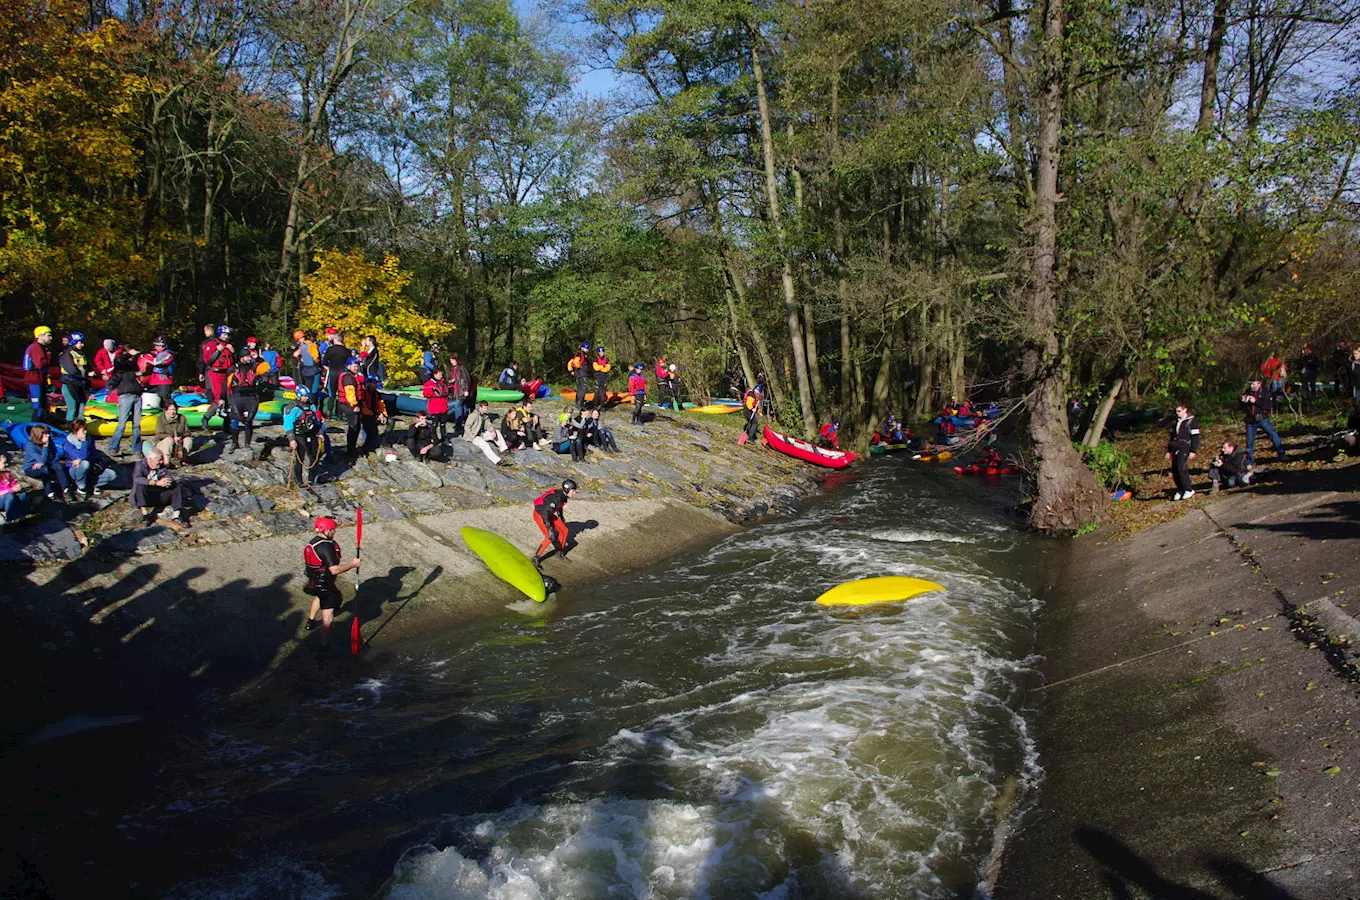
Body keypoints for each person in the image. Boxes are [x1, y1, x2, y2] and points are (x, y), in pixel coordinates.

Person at [302, 516, 360, 652]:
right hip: (325, 585)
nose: (335, 532)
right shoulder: (325, 547)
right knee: (327, 616)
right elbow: (334, 570)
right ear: (327, 531)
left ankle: (310, 621)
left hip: (312, 582)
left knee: (319, 597)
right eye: (333, 529)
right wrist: (353, 564)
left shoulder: (313, 542)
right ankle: (324, 646)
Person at [132, 448, 190, 528]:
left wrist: (167, 481)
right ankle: (145, 515)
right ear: (150, 459)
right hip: (145, 496)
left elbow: (169, 477)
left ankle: (176, 515)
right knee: (141, 486)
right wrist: (155, 483)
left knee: (176, 487)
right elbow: (137, 479)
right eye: (159, 460)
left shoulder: (161, 466)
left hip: (159, 495)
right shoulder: (140, 465)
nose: (161, 462)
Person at [228, 349, 270, 455]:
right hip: (237, 396)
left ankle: (247, 443)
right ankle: (235, 443)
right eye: (247, 356)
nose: (249, 358)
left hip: (250, 396)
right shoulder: (233, 369)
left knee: (249, 420)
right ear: (242, 357)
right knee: (235, 420)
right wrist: (226, 399)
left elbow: (267, 367)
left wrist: (258, 358)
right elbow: (227, 386)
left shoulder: (254, 367)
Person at [106, 344, 145, 457]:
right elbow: (118, 361)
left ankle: (136, 449)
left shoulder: (133, 366)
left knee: (137, 425)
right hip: (125, 396)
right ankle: (113, 447)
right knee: (122, 424)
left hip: (137, 395)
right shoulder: (120, 367)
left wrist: (137, 355)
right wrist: (128, 353)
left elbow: (141, 368)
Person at [65, 419, 118, 498]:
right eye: (83, 430)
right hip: (75, 470)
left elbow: (94, 454)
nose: (85, 432)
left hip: (90, 469)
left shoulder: (89, 439)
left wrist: (84, 457)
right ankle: (81, 486)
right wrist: (83, 442)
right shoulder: (68, 444)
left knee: (112, 474)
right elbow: (83, 456)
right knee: (85, 464)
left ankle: (90, 485)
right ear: (76, 432)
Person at [283, 386, 325, 486]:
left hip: (311, 434)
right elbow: (288, 425)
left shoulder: (312, 406)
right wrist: (292, 439)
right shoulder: (291, 408)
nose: (307, 398)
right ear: (299, 396)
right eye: (305, 396)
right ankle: (299, 481)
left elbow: (317, 421)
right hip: (299, 435)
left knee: (314, 457)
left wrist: (320, 433)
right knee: (300, 458)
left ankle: (311, 479)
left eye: (307, 396)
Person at [1240, 378, 1285, 469]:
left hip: (1262, 419)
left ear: (1259, 384)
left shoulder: (1265, 392)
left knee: (1273, 435)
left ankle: (1281, 453)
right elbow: (1242, 406)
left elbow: (1268, 406)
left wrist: (1256, 401)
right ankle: (1250, 461)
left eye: (1253, 384)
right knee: (1249, 442)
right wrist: (1243, 401)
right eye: (1251, 384)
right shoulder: (1248, 392)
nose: (1252, 386)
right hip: (1250, 421)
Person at [531, 479, 577, 565]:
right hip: (540, 515)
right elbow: (545, 512)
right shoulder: (556, 499)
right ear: (567, 490)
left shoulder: (563, 496)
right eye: (573, 491)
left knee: (564, 530)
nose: (574, 493)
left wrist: (561, 517)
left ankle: (559, 552)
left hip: (548, 513)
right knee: (550, 537)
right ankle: (535, 558)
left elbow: (559, 507)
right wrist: (549, 528)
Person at [23, 424, 73, 502]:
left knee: (58, 466)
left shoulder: (49, 440)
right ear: (39, 435)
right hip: (32, 467)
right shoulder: (30, 445)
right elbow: (41, 460)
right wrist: (45, 446)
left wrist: (46, 462)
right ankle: (50, 493)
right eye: (45, 434)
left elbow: (55, 456)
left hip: (48, 462)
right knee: (44, 469)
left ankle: (66, 489)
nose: (48, 435)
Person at [1164, 401, 1200, 501]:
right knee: (1175, 470)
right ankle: (1180, 489)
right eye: (1176, 411)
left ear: (1185, 410)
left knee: (1181, 468)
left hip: (1185, 448)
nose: (1177, 413)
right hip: (1175, 448)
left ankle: (1188, 489)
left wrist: (1193, 450)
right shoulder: (1175, 422)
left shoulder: (1192, 421)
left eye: (1179, 411)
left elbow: (1195, 437)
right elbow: (1172, 437)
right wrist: (1169, 450)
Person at [201, 325, 234, 427]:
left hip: (227, 373)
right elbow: (208, 361)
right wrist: (217, 351)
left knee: (229, 397)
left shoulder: (228, 345)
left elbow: (232, 361)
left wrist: (233, 352)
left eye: (227, 334)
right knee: (218, 398)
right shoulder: (211, 344)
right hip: (215, 373)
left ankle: (227, 424)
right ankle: (206, 418)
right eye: (224, 334)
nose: (226, 336)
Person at [58, 332, 94, 423]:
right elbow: (72, 370)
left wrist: (91, 373)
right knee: (72, 408)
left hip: (80, 385)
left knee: (81, 408)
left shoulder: (82, 354)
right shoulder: (66, 355)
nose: (82, 345)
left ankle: (80, 429)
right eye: (80, 342)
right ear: (74, 342)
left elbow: (87, 367)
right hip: (70, 384)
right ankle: (70, 428)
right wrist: (86, 375)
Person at [336, 356, 366, 459]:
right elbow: (350, 394)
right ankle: (350, 451)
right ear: (348, 366)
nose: (356, 368)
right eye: (354, 366)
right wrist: (355, 405)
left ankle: (352, 448)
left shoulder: (354, 376)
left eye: (357, 366)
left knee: (356, 427)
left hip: (350, 405)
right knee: (353, 427)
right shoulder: (348, 377)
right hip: (349, 405)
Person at [464, 399, 509, 465]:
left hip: (481, 434)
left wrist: (492, 431)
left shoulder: (485, 416)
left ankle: (504, 449)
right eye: (485, 408)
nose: (486, 409)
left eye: (487, 408)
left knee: (497, 432)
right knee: (485, 445)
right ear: (480, 407)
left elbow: (488, 425)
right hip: (473, 436)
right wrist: (472, 436)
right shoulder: (473, 415)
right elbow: (466, 427)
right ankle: (497, 461)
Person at [23, 326, 54, 420]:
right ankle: (35, 429)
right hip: (34, 381)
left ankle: (39, 427)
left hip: (39, 380)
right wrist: (48, 357)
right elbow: (40, 364)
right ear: (40, 336)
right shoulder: (36, 347)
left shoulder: (40, 348)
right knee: (38, 407)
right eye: (49, 335)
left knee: (42, 406)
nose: (51, 338)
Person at [154, 400, 193, 465]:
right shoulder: (161, 419)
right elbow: (158, 435)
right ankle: (167, 462)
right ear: (166, 410)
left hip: (179, 443)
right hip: (164, 444)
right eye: (170, 410)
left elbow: (188, 432)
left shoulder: (182, 418)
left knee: (188, 440)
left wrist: (181, 437)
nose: (172, 412)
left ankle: (183, 460)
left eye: (174, 410)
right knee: (168, 440)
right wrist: (172, 437)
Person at [321, 333, 351, 419]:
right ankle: (340, 414)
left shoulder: (330, 350)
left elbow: (324, 362)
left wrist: (328, 369)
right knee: (342, 394)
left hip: (333, 372)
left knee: (332, 394)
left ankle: (329, 411)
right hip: (342, 373)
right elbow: (349, 363)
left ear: (336, 340)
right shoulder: (346, 351)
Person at [358, 375, 390, 453]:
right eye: (373, 383)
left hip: (374, 414)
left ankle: (384, 440)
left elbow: (381, 405)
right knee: (370, 427)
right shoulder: (363, 393)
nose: (375, 385)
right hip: (365, 415)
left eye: (376, 383)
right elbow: (363, 408)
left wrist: (383, 414)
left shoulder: (377, 394)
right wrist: (375, 414)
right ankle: (366, 447)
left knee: (391, 421)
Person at [142, 337, 176, 406]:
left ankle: (171, 410)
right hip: (154, 381)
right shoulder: (158, 353)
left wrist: (146, 357)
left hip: (164, 380)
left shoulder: (168, 354)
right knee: (153, 398)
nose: (155, 347)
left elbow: (156, 362)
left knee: (165, 399)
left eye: (157, 345)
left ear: (162, 346)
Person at [422, 367, 451, 443]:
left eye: (441, 374)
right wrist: (433, 392)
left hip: (443, 406)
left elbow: (447, 392)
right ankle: (434, 439)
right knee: (434, 424)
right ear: (434, 374)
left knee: (443, 424)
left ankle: (444, 439)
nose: (441, 376)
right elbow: (425, 393)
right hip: (435, 407)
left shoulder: (443, 383)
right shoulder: (429, 384)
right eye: (439, 374)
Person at [448, 352, 474, 433]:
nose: (452, 362)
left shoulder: (461, 368)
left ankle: (458, 424)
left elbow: (466, 379)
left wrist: (466, 389)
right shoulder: (455, 368)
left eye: (453, 360)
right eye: (451, 360)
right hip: (457, 390)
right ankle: (465, 422)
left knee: (457, 405)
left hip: (462, 390)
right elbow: (457, 378)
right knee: (464, 406)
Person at [0, 453, 29, 524]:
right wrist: (11, 490)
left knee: (22, 494)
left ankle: (23, 517)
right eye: (4, 463)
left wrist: (17, 486)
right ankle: (10, 519)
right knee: (9, 496)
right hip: (2, 499)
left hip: (9, 496)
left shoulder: (6, 473)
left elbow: (13, 483)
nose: (6, 465)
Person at [294, 330, 322, 395]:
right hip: (314, 370)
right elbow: (316, 358)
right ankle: (313, 402)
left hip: (305, 370)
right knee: (314, 390)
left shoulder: (302, 346)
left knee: (308, 388)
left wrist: (301, 358)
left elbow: (295, 354)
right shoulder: (312, 345)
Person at [568, 343, 591, 409]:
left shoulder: (581, 354)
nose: (587, 350)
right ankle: (580, 404)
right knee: (583, 389)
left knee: (579, 390)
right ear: (582, 348)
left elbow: (571, 362)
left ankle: (578, 403)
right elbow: (574, 363)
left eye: (588, 349)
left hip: (579, 374)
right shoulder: (580, 354)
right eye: (586, 348)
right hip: (582, 374)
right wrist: (578, 367)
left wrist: (572, 371)